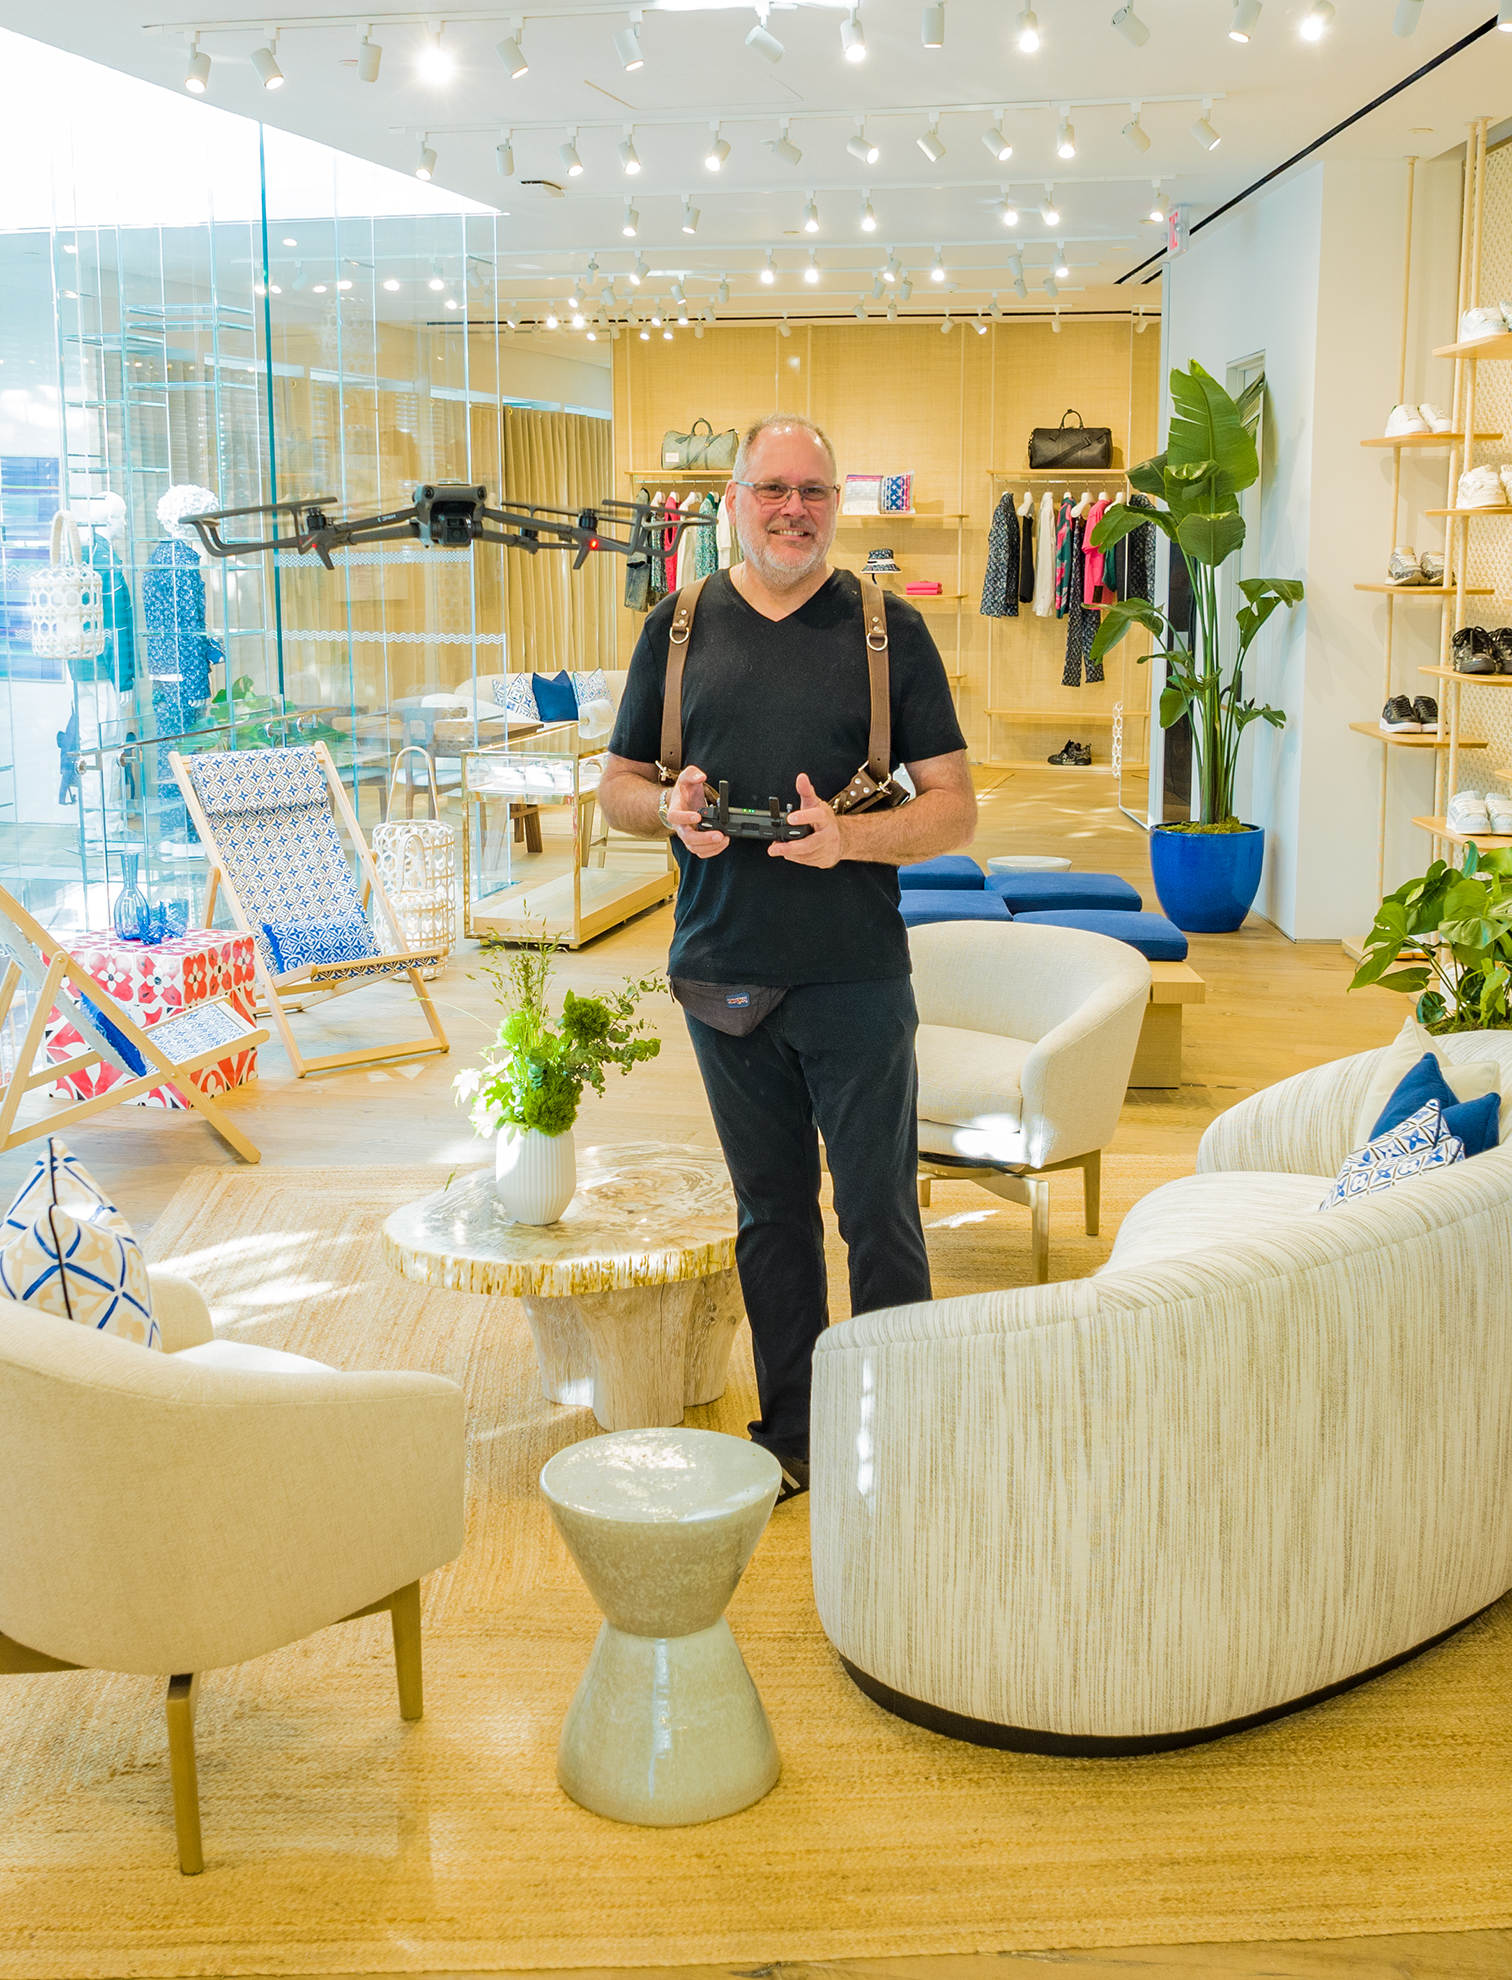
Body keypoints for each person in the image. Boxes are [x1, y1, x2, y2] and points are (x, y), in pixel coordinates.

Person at [598, 413, 976, 1500]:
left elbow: (953, 808)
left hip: (856, 970)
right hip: (720, 969)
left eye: (812, 491)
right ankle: (799, 1439)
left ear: (836, 505)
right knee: (770, 1216)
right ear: (734, 498)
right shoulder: (674, 628)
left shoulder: (886, 628)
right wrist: (664, 808)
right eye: (772, 489)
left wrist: (850, 837)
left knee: (880, 1214)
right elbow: (616, 782)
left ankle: (903, 1437)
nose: (793, 509)